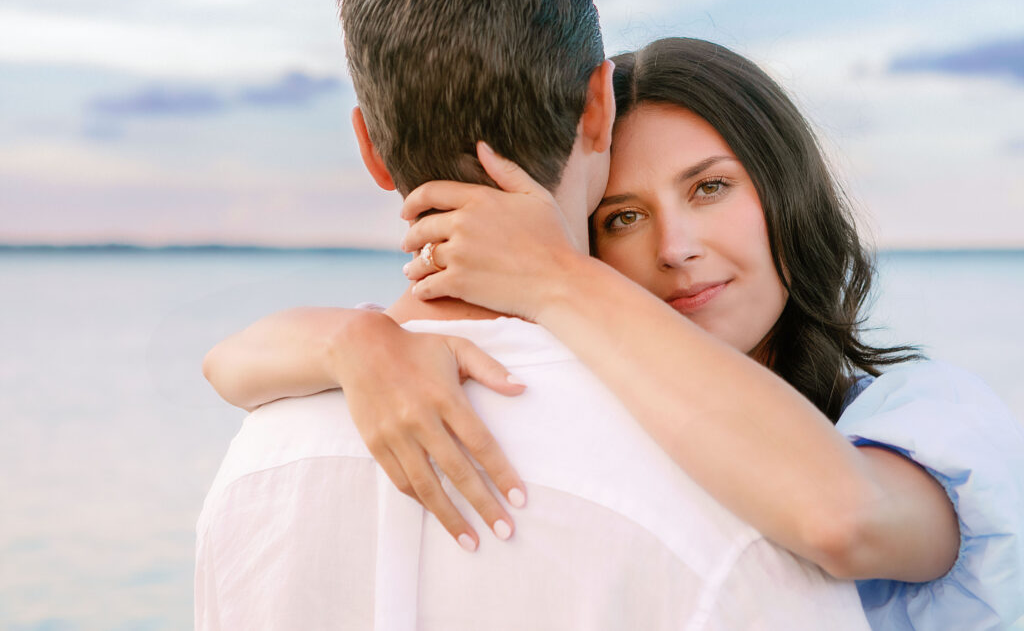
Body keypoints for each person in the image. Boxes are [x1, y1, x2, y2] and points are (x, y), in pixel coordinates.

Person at [205, 35, 1024, 629]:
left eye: (709, 189)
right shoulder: (607, 421)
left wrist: (558, 277)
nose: (675, 249)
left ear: (784, 191)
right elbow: (227, 361)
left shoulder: (923, 417)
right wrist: (356, 342)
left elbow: (845, 517)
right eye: (623, 216)